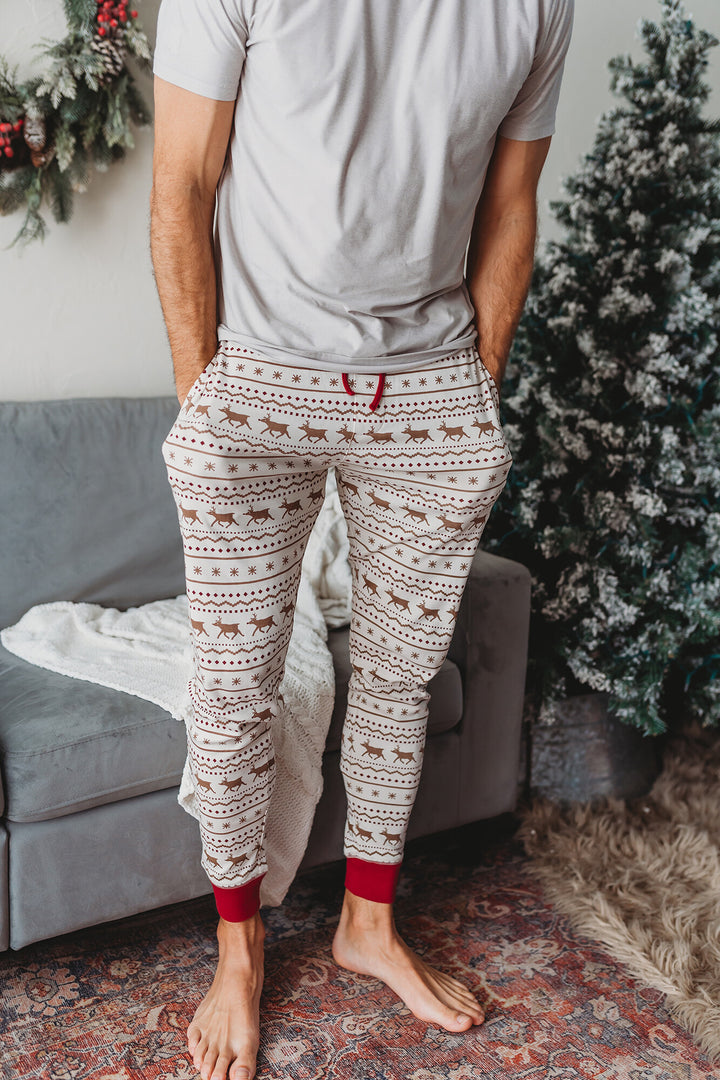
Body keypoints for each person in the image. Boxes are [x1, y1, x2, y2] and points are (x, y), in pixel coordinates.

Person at [149, 1, 574, 1077]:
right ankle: (238, 949)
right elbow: (183, 184)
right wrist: (206, 396)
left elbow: (511, 202)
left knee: (399, 679)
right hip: (254, 380)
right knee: (237, 684)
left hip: (430, 387)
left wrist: (475, 386)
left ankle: (366, 925)